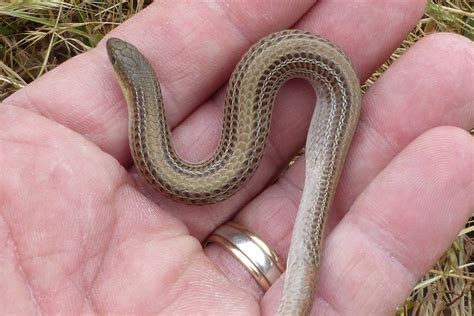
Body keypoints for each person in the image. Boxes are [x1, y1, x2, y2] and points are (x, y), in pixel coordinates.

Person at [1, 1, 472, 314]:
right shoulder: (149, 135)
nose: (115, 57)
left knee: (323, 173)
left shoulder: (150, 129)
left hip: (317, 82)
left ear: (130, 83)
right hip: (209, 165)